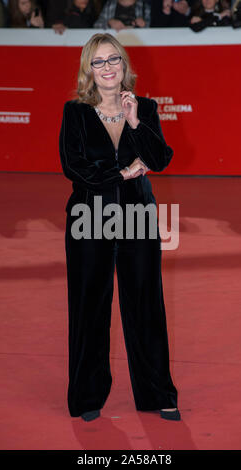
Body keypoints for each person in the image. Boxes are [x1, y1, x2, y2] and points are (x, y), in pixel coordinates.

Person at [59, 32, 180, 422]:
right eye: (98, 62)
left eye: (114, 60)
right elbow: (73, 167)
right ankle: (87, 395)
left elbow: (160, 158)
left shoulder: (144, 106)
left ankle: (157, 392)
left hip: (137, 218)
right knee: (89, 307)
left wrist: (135, 122)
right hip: (88, 217)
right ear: (88, 70)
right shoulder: (74, 112)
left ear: (124, 65)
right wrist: (123, 173)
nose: (107, 68)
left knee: (146, 305)